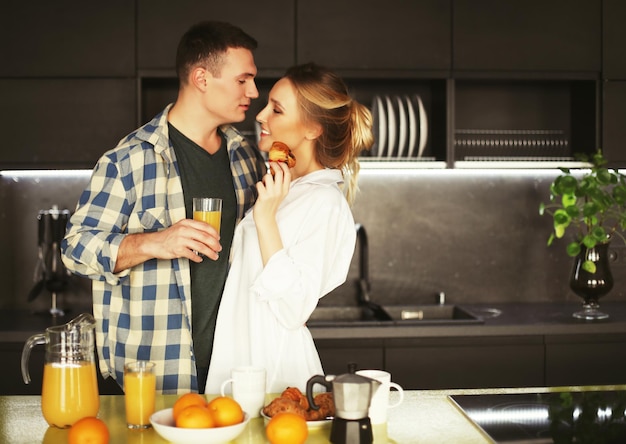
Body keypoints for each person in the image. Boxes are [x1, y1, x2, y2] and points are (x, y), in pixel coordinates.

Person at [61, 21, 266, 394]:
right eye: (243, 80)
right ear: (202, 78)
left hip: (237, 371)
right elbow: (75, 248)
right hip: (153, 375)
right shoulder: (129, 160)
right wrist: (153, 243)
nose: (254, 91)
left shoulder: (246, 158)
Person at [205, 63, 374, 394]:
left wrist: (265, 219)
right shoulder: (283, 188)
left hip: (274, 370)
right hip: (237, 360)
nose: (260, 115)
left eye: (277, 109)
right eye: (268, 104)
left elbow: (295, 308)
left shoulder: (325, 201)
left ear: (312, 129)